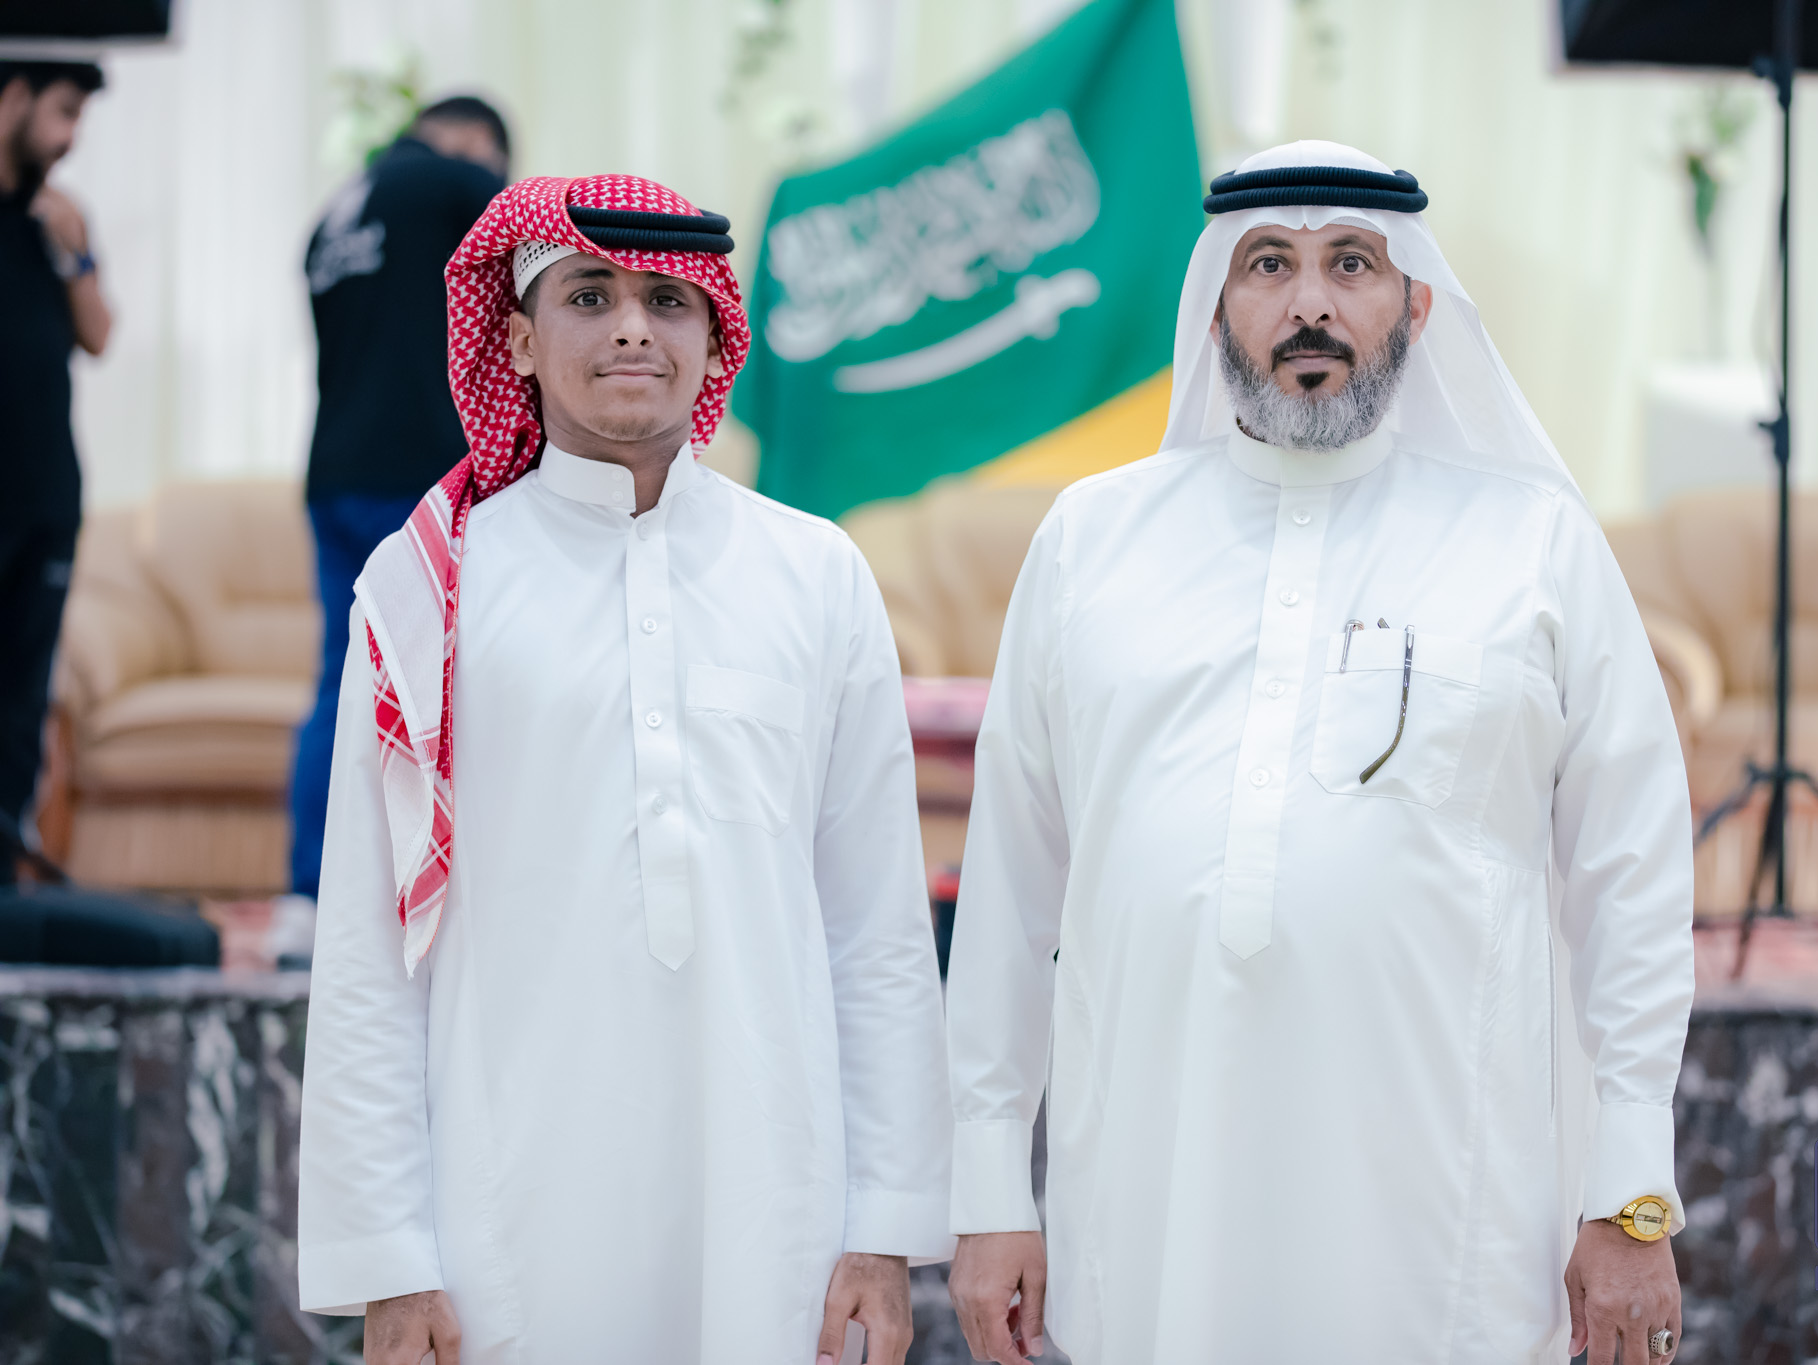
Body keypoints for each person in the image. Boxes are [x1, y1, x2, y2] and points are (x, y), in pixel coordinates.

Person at [944, 141, 1696, 1365]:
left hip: (1442, 1217)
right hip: (1152, 1206)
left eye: (1351, 263)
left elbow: (1633, 883)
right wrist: (986, 1191)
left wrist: (1629, 1197)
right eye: (1266, 265)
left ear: (1415, 306)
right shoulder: (1091, 541)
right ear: (1214, 307)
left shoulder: (1533, 546)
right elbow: (1010, 889)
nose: (1309, 302)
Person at [296, 175, 952, 1365]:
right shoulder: (428, 588)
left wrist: (885, 1232)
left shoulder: (814, 575)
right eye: (589, 296)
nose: (633, 328)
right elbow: (367, 948)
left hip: (777, 1209)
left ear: (718, 339)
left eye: (667, 299)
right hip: (506, 1216)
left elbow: (876, 933)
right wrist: (387, 1261)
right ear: (516, 340)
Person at [286, 96, 510, 920]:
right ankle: (436, 894)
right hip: (418, 474)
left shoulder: (334, 215)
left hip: (334, 474)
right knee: (445, 682)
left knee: (342, 680)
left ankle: (311, 893)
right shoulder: (454, 183)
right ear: (478, 144)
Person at [0, 60, 109, 863]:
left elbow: (98, 336)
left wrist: (76, 255)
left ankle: (9, 863)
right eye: (62, 112)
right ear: (13, 98)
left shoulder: (58, 218)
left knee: (23, 693)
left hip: (47, 497)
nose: (70, 136)